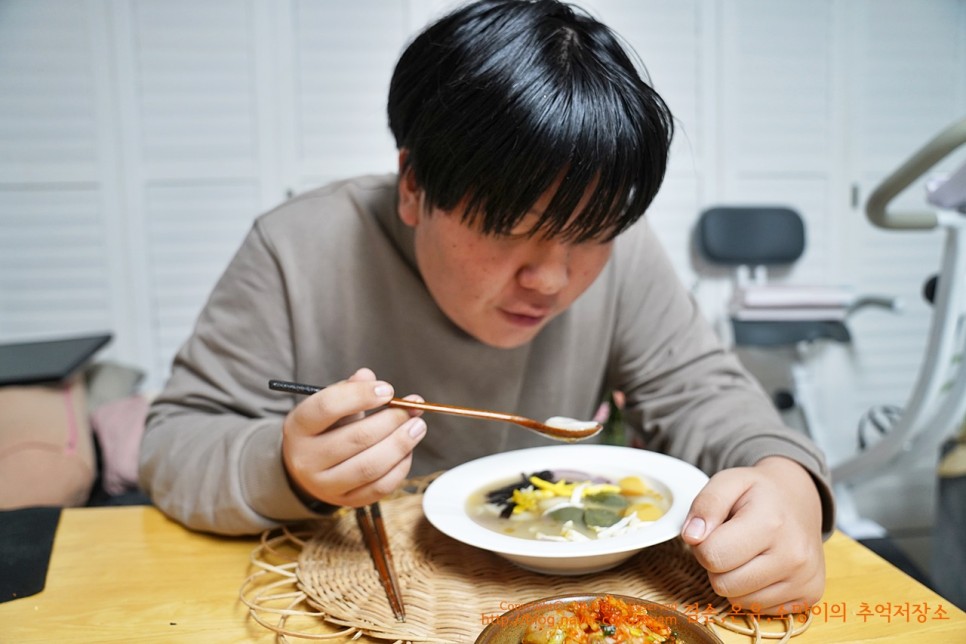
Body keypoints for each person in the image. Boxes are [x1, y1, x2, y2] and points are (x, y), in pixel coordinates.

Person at [140, 0, 833, 615]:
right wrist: (287, 468)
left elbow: (705, 395)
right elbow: (174, 442)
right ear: (414, 186)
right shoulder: (295, 248)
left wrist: (788, 480)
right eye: (510, 229)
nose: (553, 279)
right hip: (369, 604)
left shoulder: (625, 252)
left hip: (567, 604)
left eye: (591, 235)